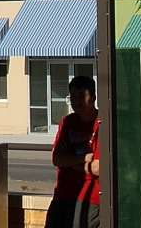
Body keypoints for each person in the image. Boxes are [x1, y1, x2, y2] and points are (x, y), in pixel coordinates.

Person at [45, 75, 100, 228]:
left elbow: (98, 168)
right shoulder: (67, 122)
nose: (77, 102)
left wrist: (70, 161)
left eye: (82, 96)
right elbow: (57, 159)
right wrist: (86, 157)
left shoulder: (101, 123)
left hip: (90, 196)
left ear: (94, 97)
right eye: (73, 97)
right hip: (63, 192)